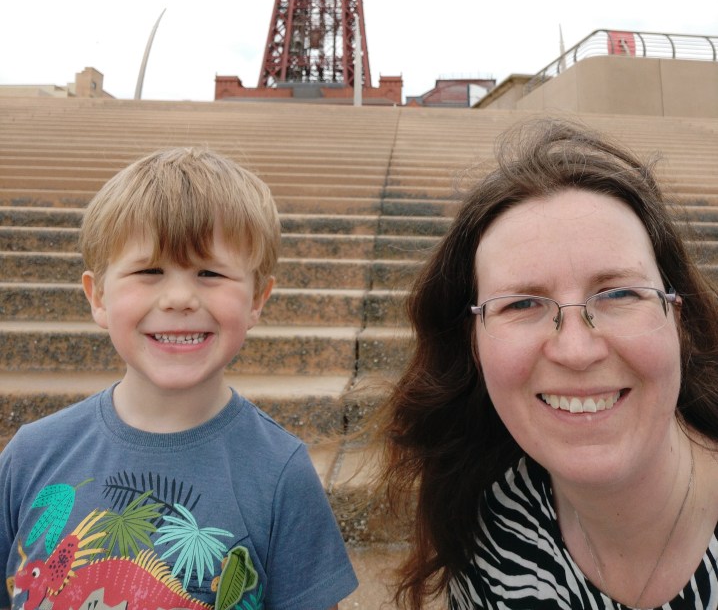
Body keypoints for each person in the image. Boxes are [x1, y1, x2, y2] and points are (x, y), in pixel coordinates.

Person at [378, 118, 718, 610]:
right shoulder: (491, 535)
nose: (576, 351)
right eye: (520, 304)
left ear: (676, 317)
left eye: (619, 293)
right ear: (473, 342)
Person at [0, 147, 357, 610]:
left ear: (257, 299)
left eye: (210, 272)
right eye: (149, 271)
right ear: (99, 297)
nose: (179, 297)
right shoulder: (31, 454)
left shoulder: (281, 471)